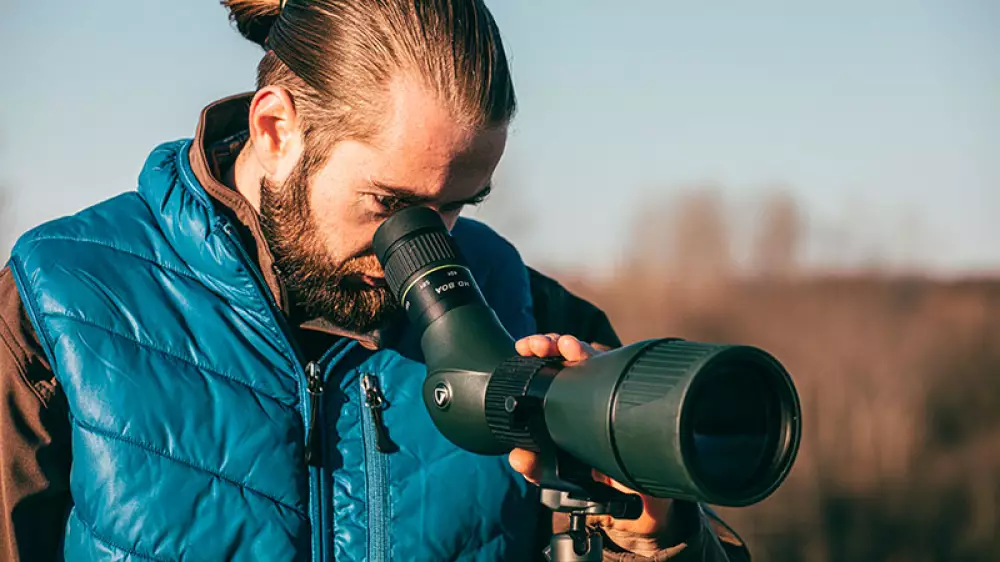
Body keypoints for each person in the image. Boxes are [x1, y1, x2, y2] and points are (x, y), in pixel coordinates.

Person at [0, 0, 749, 560]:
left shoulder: (523, 307)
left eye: (455, 206)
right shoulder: (59, 300)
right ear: (275, 127)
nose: (423, 246)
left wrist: (657, 537)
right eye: (391, 205)